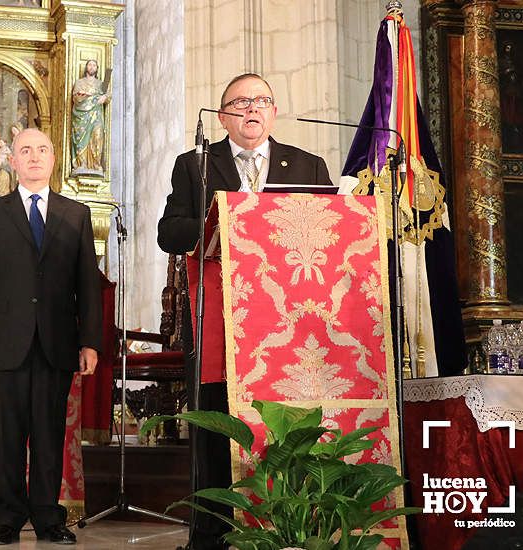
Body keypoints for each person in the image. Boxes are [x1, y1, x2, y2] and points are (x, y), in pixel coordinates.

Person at [157, 73, 332, 550]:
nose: (251, 108)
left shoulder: (309, 166)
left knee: (290, 425)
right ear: (222, 117)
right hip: (221, 316)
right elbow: (168, 232)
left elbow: (331, 233)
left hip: (291, 320)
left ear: (273, 111)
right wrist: (215, 225)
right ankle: (210, 537)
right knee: (215, 424)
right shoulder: (196, 165)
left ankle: (292, 529)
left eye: (261, 101)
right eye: (239, 102)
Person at [0, 128, 102, 546]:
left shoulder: (75, 214)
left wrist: (89, 341)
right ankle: (6, 518)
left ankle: (48, 517)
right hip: (4, 344)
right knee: (7, 436)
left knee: (48, 435)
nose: (35, 157)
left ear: (54, 159)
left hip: (56, 343)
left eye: (42, 150)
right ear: (13, 161)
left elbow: (86, 286)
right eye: (26, 150)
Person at [70, 59, 108, 175]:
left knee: (98, 136)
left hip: (96, 116)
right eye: (90, 65)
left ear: (97, 69)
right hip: (82, 116)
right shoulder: (79, 82)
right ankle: (82, 163)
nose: (92, 67)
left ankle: (96, 164)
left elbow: (108, 95)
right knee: (81, 138)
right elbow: (75, 97)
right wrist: (84, 96)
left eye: (94, 65)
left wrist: (105, 97)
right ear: (86, 67)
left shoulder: (101, 84)